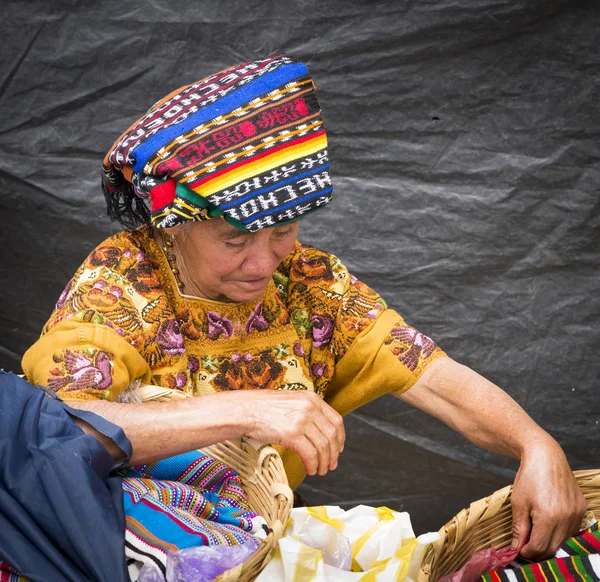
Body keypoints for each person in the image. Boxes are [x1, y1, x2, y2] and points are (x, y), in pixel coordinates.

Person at [22, 52, 586, 561]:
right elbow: (61, 431)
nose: (264, 263)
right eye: (235, 241)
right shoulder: (121, 281)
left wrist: (534, 443)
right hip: (130, 549)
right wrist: (250, 409)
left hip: (260, 542)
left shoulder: (310, 281)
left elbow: (430, 374)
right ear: (176, 227)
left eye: (283, 230)